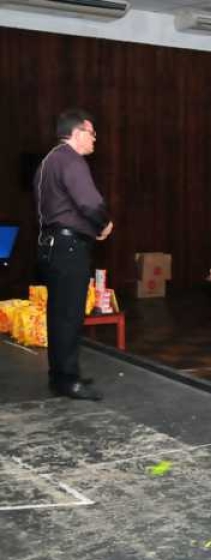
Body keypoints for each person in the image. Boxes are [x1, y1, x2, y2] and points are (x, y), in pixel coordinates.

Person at [34, 108, 113, 401]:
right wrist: (104, 224)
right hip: (68, 248)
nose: (95, 139)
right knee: (68, 315)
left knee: (59, 314)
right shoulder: (72, 161)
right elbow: (90, 203)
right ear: (78, 133)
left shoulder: (48, 161)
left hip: (51, 247)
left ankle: (60, 376)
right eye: (92, 134)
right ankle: (69, 381)